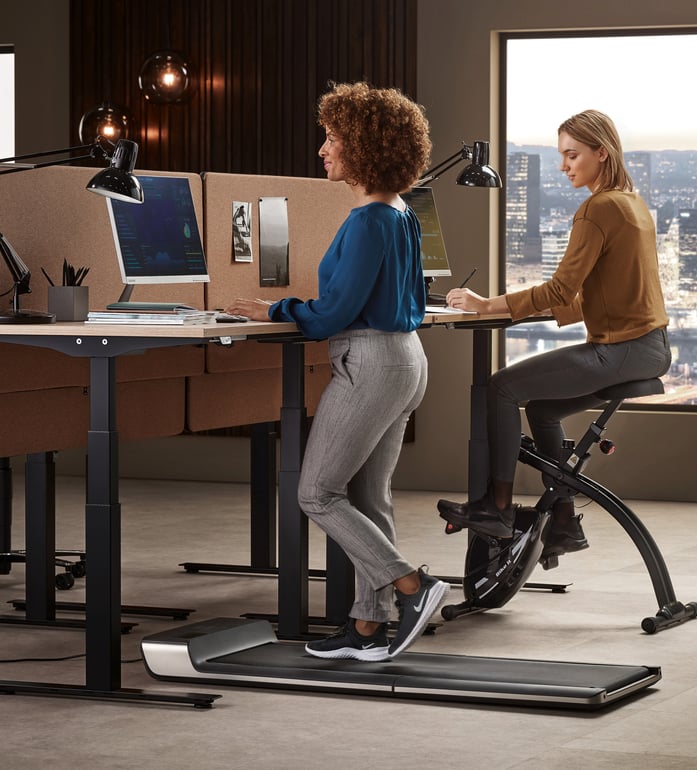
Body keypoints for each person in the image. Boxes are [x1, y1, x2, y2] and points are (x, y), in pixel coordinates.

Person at [226, 82, 449, 661]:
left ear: (365, 147)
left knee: (317, 492)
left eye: (333, 138)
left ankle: (412, 586)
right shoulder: (402, 215)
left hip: (371, 361)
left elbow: (331, 317)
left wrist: (275, 309)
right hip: (406, 358)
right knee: (369, 498)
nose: (323, 149)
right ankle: (368, 626)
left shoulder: (368, 220)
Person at [437, 109, 671, 559]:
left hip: (622, 350)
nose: (564, 165)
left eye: (572, 154)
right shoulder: (632, 203)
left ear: (601, 153)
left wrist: (490, 306)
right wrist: (512, 312)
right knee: (543, 411)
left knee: (501, 387)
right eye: (560, 155)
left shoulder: (598, 208)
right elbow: (594, 298)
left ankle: (497, 510)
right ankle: (563, 521)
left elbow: (561, 288)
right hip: (649, 348)